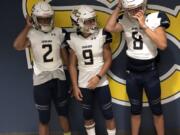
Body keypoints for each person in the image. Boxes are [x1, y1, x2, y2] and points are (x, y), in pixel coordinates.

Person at [105, 0, 170, 135]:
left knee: (157, 110)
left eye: (137, 8)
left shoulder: (155, 18)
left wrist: (144, 26)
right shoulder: (125, 19)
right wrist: (118, 7)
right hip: (132, 72)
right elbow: (109, 28)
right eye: (130, 8)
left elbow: (162, 45)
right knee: (135, 111)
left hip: (150, 71)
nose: (134, 11)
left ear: (144, 5)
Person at [13, 1, 71, 135]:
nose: (45, 21)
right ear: (34, 19)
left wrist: (72, 81)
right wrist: (27, 27)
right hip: (41, 80)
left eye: (47, 18)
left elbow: (66, 59)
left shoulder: (59, 32)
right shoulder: (31, 33)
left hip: (59, 77)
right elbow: (17, 46)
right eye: (41, 19)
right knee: (44, 119)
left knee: (63, 113)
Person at [66, 5, 116, 135]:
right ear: (77, 22)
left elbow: (108, 60)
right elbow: (71, 65)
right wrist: (75, 86)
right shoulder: (72, 38)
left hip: (101, 82)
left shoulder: (102, 34)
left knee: (108, 114)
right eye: (88, 21)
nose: (92, 23)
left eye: (93, 19)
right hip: (84, 83)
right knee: (87, 115)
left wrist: (98, 77)